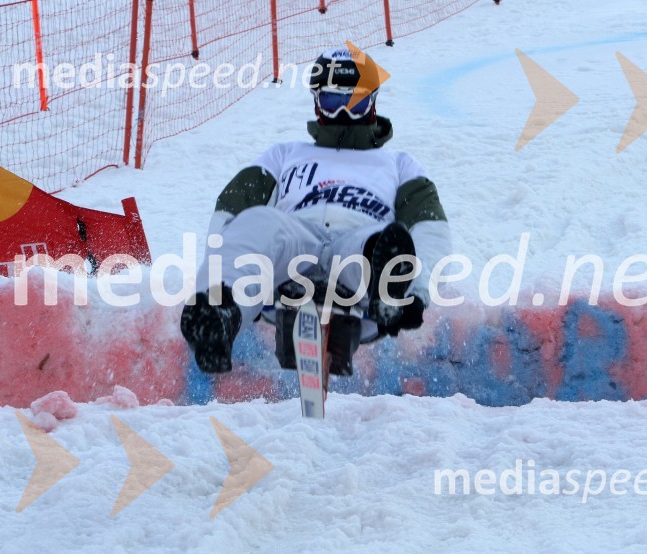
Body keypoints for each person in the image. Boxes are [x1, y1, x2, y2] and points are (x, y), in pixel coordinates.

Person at [180, 46, 451, 376]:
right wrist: (219, 270)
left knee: (382, 242)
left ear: (373, 102)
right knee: (259, 222)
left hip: (356, 246)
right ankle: (218, 312)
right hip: (296, 243)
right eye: (333, 101)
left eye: (355, 102)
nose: (343, 113)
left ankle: (388, 290)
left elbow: (430, 227)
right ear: (316, 101)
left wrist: (418, 291)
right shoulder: (284, 154)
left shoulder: (399, 164)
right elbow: (232, 210)